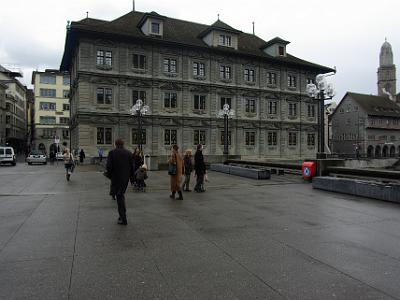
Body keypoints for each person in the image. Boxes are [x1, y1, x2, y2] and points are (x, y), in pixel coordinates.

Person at [106, 138, 134, 225]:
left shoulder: (112, 153)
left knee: (119, 197)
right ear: (123, 144)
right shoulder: (129, 153)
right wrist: (131, 179)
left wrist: (110, 176)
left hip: (116, 178)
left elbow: (109, 167)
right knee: (120, 196)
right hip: (125, 179)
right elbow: (132, 167)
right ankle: (121, 216)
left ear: (115, 144)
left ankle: (123, 218)